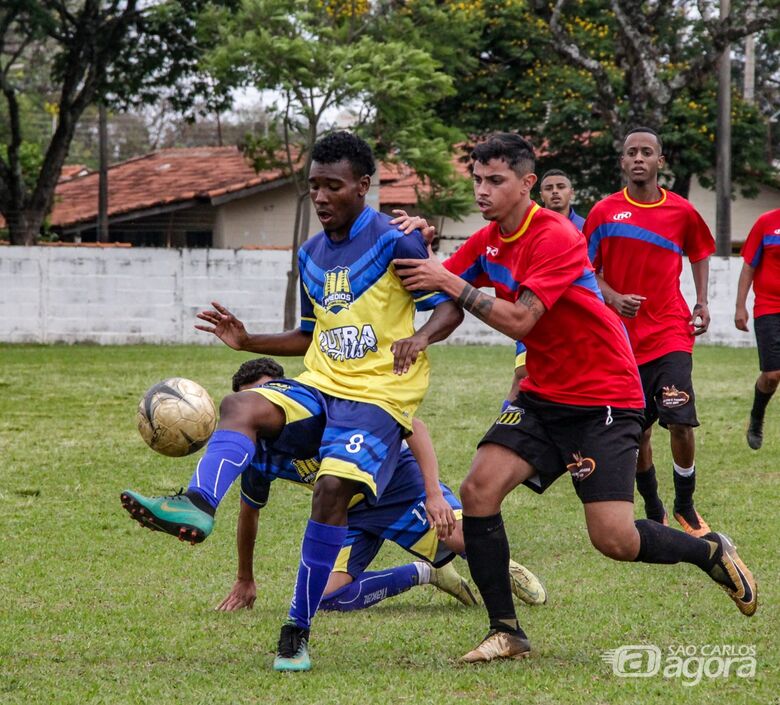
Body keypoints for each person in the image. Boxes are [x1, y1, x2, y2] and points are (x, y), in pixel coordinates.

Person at [393, 132, 757, 664]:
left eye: (495, 181)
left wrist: (450, 283)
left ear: (527, 184)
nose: (483, 191)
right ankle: (507, 631)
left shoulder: (556, 236)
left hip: (604, 396)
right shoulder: (490, 238)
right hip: (542, 395)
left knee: (614, 539)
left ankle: (708, 552)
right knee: (477, 491)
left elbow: (517, 318)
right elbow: (451, 291)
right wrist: (421, 321)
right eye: (477, 180)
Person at [120, 131, 464, 672]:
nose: (321, 197)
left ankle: (295, 634)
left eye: (333, 186)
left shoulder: (394, 241)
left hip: (378, 398)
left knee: (329, 492)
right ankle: (199, 503)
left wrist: (421, 337)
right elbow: (309, 335)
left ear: (362, 187)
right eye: (314, 187)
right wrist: (247, 340)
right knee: (241, 407)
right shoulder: (309, 255)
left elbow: (450, 306)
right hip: (321, 383)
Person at [216, 357, 547, 614]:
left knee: (459, 538)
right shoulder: (258, 453)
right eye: (254, 400)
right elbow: (249, 514)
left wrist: (433, 494)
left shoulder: (325, 401)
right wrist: (245, 578)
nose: (265, 406)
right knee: (320, 599)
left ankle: (497, 562)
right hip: (347, 512)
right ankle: (427, 573)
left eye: (271, 392)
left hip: (400, 485)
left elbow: (414, 426)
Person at [583, 127, 715, 538]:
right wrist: (613, 297)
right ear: (622, 163)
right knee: (638, 432)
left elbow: (700, 252)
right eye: (631, 153)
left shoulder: (681, 211)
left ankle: (686, 506)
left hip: (671, 333)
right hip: (621, 342)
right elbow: (587, 271)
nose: (638, 158)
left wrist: (702, 301)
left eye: (647, 152)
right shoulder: (603, 213)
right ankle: (654, 505)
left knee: (680, 422)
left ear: (661, 162)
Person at [735, 208, 780, 449]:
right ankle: (757, 417)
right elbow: (749, 267)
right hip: (769, 308)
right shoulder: (766, 222)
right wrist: (739, 306)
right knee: (772, 375)